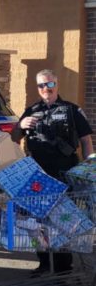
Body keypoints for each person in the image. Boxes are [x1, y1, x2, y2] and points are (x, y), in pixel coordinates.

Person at [11, 69, 94, 274]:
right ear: (37, 88)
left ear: (56, 85)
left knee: (62, 222)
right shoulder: (31, 110)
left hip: (64, 172)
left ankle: (63, 268)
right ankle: (44, 263)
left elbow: (86, 140)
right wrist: (20, 125)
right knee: (37, 222)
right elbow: (14, 137)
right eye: (41, 85)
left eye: (49, 84)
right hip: (38, 175)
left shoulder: (71, 110)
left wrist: (88, 168)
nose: (46, 89)